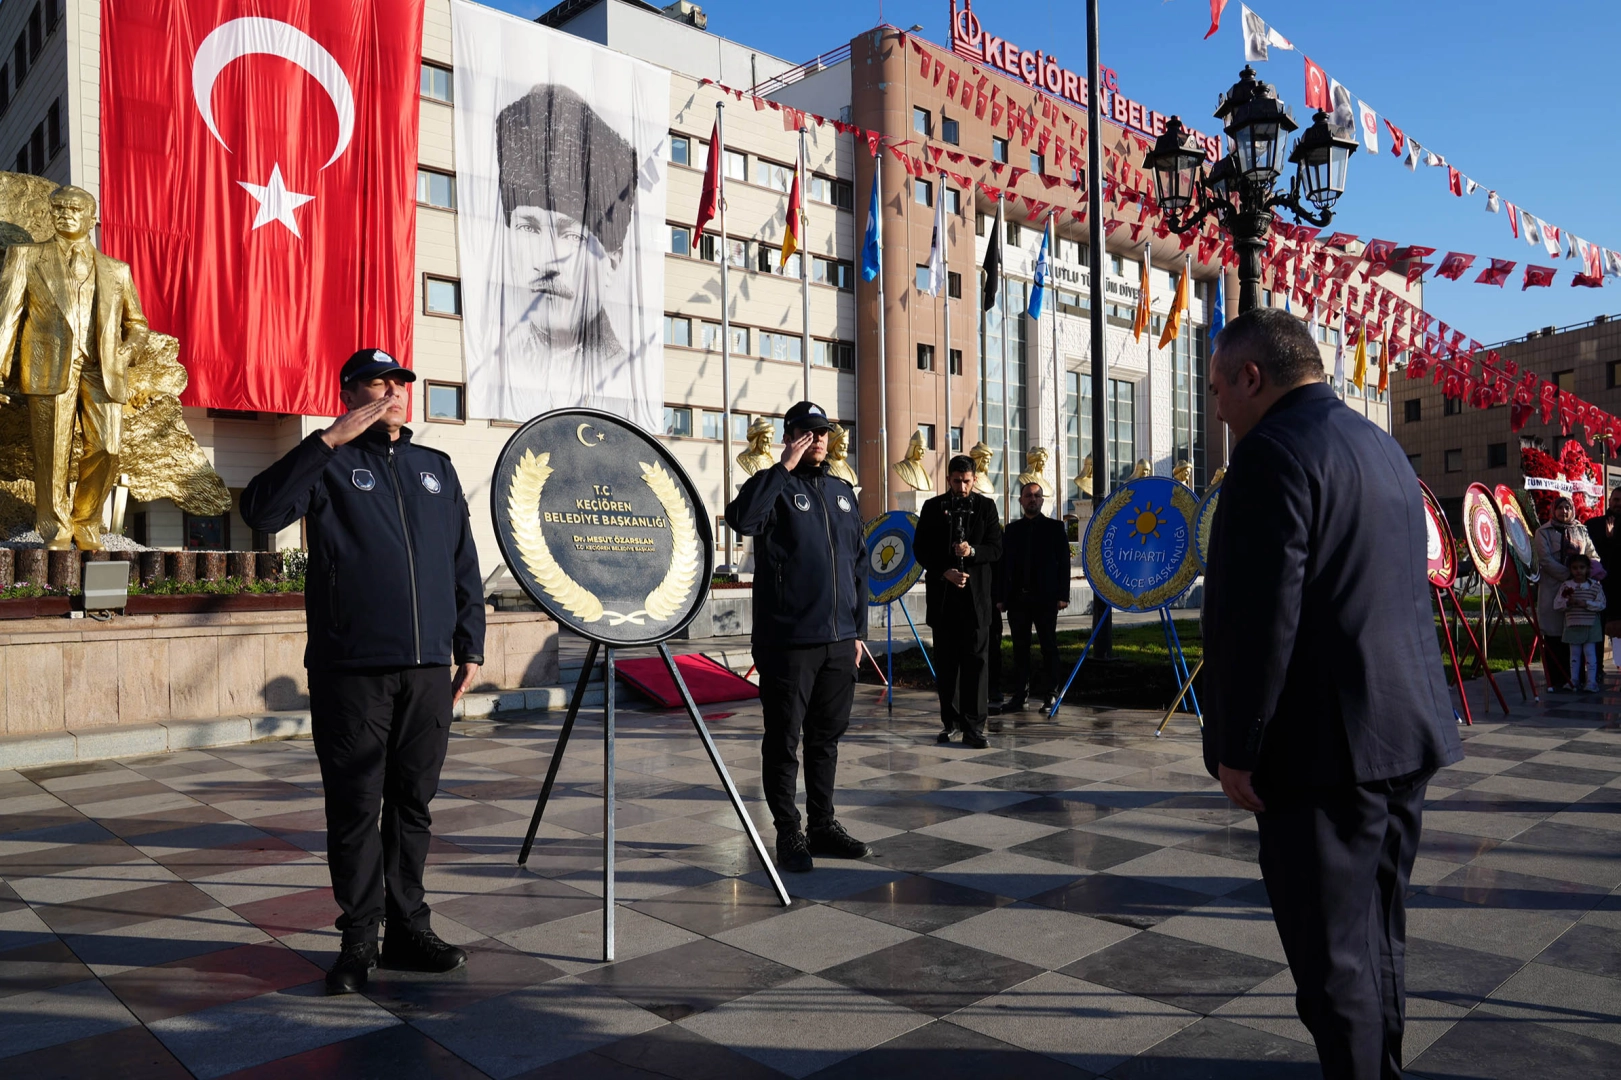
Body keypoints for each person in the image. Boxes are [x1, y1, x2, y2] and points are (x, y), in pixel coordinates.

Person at [1202, 308, 1462, 1080]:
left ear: (1252, 377)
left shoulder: (1270, 452)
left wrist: (1236, 746)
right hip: (1401, 733)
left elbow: (1258, 618)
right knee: (1378, 938)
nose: (1216, 405)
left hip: (1322, 753)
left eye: (1219, 387)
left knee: (1333, 963)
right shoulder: (1379, 446)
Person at [241, 349, 485, 995]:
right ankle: (358, 940)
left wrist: (471, 645)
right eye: (377, 382)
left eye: (400, 380)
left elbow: (462, 561)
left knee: (413, 804)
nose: (392, 391)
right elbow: (263, 514)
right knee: (354, 807)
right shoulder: (330, 461)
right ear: (348, 392)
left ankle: (410, 928)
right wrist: (326, 441)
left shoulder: (435, 467)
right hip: (352, 665)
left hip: (429, 664)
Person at [725, 400, 870, 874]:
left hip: (837, 642)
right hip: (788, 642)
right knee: (784, 739)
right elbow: (742, 520)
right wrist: (782, 467)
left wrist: (857, 631)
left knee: (826, 740)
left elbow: (858, 565)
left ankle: (823, 824)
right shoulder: (775, 488)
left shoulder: (842, 491)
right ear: (790, 436)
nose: (819, 439)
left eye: (823, 431)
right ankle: (789, 831)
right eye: (808, 432)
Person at [493, 82, 651, 427]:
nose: (547, 261)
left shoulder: (624, 375)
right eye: (529, 227)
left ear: (612, 260)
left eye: (571, 235)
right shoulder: (497, 364)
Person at [0, 185, 148, 550]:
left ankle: (86, 521)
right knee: (51, 453)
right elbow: (7, 317)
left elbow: (138, 324)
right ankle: (56, 529)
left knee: (108, 448)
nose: (65, 214)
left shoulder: (117, 270)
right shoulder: (26, 257)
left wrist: (126, 352)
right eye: (59, 208)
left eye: (74, 209)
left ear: (91, 216)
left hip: (102, 369)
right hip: (48, 366)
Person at [915, 454, 1005, 748]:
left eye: (967, 481)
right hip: (944, 601)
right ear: (948, 479)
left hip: (977, 602)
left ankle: (974, 727)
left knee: (977, 664)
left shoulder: (987, 507)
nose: (962, 487)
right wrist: (945, 571)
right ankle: (950, 723)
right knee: (947, 665)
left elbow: (996, 549)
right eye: (957, 481)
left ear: (974, 479)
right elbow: (921, 549)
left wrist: (972, 553)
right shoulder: (931, 508)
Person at [996, 481, 1071, 711]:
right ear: (1020, 500)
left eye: (1037, 496)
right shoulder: (1011, 530)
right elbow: (1003, 566)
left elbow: (1064, 564)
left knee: (1048, 646)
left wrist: (1063, 595)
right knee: (1020, 649)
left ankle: (1051, 694)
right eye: (1028, 496)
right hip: (1018, 600)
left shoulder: (1055, 528)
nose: (1032, 499)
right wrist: (1001, 597)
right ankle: (1020, 696)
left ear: (1042, 500)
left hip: (1046, 599)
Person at [1534, 496, 1601, 691]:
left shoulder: (1581, 530)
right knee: (1554, 635)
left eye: (1568, 508)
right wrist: (1569, 576)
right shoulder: (1543, 532)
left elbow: (1592, 555)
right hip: (1554, 588)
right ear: (1553, 510)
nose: (1564, 512)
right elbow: (1545, 560)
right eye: (1560, 508)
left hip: (1580, 591)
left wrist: (1586, 575)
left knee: (1577, 634)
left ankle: (1576, 679)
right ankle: (1556, 679)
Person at [1555, 553, 1605, 692]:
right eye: (1575, 568)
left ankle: (1591, 681)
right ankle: (1574, 680)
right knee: (1575, 655)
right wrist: (1567, 603)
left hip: (1590, 625)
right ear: (1570, 569)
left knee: (1590, 654)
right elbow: (1557, 604)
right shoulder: (1566, 586)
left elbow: (1601, 604)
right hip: (1573, 623)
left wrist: (1585, 603)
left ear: (1588, 568)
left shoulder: (1594, 586)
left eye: (1582, 567)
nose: (1578, 571)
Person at [1584, 487, 1621, 672]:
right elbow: (1590, 555)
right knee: (1597, 630)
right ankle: (1595, 670)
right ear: (1609, 500)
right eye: (1615, 499)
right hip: (1600, 586)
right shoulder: (1594, 524)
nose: (1618, 503)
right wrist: (1607, 539)